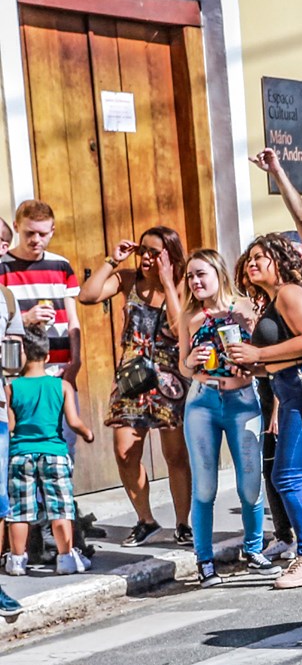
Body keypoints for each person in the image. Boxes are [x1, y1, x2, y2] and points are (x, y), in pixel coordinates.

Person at [226, 234, 302, 588]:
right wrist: (254, 366)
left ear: (281, 261)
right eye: (250, 259)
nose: (252, 263)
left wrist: (257, 356)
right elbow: (286, 354)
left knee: (285, 477)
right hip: (289, 387)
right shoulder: (274, 300)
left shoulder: (289, 293)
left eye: (262, 257)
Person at [77, 228, 193, 546]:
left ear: (170, 254)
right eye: (143, 251)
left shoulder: (183, 284)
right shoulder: (128, 280)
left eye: (155, 253)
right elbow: (87, 296)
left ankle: (183, 523)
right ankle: (146, 519)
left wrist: (168, 281)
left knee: (175, 455)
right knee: (125, 452)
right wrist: (111, 261)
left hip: (171, 380)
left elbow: (176, 324)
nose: (146, 258)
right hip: (131, 379)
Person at [178, 250, 273, 585]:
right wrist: (191, 359)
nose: (195, 282)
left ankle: (254, 549)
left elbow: (265, 358)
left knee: (250, 482)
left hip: (243, 399)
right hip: (202, 402)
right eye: (190, 276)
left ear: (219, 273)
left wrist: (248, 363)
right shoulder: (189, 315)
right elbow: (182, 365)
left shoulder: (246, 309)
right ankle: (204, 561)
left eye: (201, 274)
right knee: (204, 486)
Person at [4, 324, 94, 574]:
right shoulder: (61, 386)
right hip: (54, 452)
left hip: (20, 454)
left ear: (23, 355)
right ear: (47, 356)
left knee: (20, 511)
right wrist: (88, 433)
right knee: (60, 506)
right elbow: (73, 422)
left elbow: (10, 424)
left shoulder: (12, 388)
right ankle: (65, 557)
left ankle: (17, 560)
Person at [0, 200, 82, 382]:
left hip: (59, 369)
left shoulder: (61, 266)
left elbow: (72, 319)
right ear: (16, 227)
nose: (36, 239)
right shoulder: (2, 266)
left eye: (43, 234)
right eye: (29, 233)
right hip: (18, 373)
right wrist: (25, 319)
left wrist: (75, 361)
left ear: (52, 230)